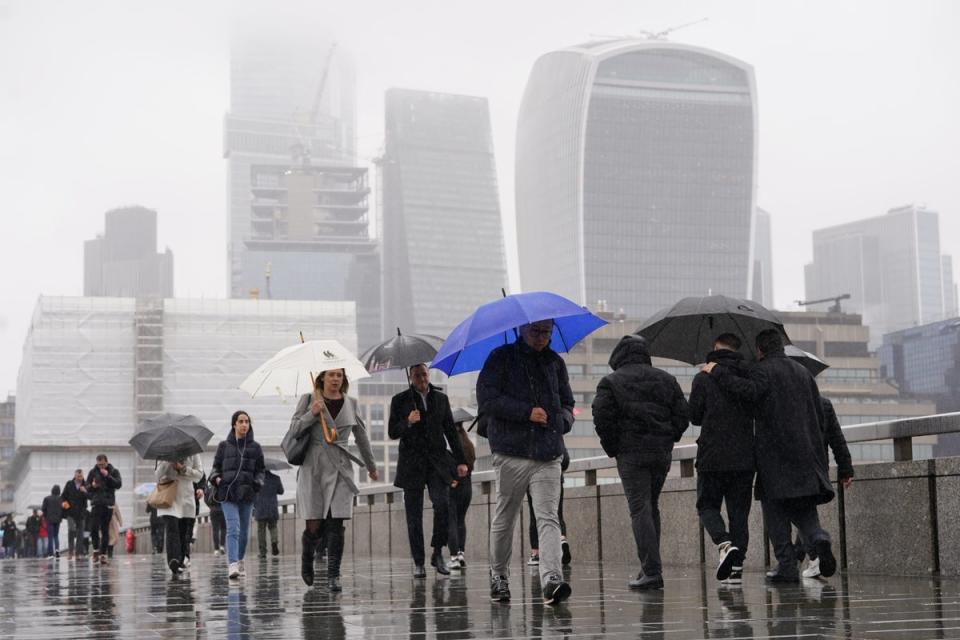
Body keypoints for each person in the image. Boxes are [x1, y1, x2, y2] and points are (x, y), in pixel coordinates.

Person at [704, 329, 837, 583]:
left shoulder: (762, 371)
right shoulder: (803, 373)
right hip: (807, 453)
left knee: (774, 508)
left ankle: (786, 566)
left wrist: (717, 371)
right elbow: (818, 415)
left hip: (775, 453)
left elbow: (747, 392)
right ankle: (819, 538)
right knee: (804, 508)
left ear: (760, 350)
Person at [477, 319, 575, 606]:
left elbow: (568, 403)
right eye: (536, 331)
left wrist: (563, 421)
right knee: (505, 517)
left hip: (548, 452)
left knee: (548, 517)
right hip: (511, 451)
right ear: (522, 329)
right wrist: (526, 412)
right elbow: (487, 401)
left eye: (547, 332)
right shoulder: (500, 358)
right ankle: (499, 576)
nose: (542, 337)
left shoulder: (555, 363)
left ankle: (551, 578)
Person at [593, 335, 689, 590]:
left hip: (631, 453)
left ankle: (652, 570)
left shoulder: (611, 382)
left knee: (640, 508)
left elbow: (601, 417)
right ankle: (649, 567)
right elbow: (683, 414)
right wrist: (669, 437)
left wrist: (614, 447)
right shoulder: (666, 379)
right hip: (660, 452)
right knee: (651, 506)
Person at [289, 368, 378, 591]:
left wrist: (371, 465)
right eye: (331, 375)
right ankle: (307, 558)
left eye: (339, 375)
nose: (336, 379)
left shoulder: (351, 403)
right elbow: (294, 430)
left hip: (341, 467)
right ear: (322, 378)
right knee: (315, 524)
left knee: (337, 522)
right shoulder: (310, 399)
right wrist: (311, 413)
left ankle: (333, 575)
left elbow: (361, 436)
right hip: (314, 467)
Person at [688, 333, 756, 585]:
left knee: (707, 506)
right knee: (739, 512)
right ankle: (736, 568)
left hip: (712, 455)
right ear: (738, 349)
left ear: (715, 347)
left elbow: (694, 416)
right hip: (744, 456)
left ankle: (724, 544)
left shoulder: (703, 377)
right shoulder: (749, 375)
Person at [389, 364, 468, 577]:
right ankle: (418, 562)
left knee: (442, 505)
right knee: (413, 516)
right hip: (411, 464)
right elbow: (392, 432)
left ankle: (437, 552)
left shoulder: (440, 399)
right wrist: (408, 422)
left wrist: (461, 461)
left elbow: (451, 430)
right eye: (417, 375)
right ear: (411, 377)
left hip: (436, 463)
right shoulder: (400, 400)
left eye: (424, 374)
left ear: (428, 374)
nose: (422, 378)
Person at [798, 396, 854, 578]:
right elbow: (836, 438)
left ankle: (812, 555)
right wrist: (845, 470)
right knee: (806, 510)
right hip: (818, 469)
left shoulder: (784, 401)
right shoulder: (822, 403)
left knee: (798, 513)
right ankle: (807, 556)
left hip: (789, 467)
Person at [211, 410, 265, 580]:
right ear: (234, 424)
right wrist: (216, 479)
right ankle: (233, 563)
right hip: (228, 493)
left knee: (243, 532)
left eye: (247, 422)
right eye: (241, 421)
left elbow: (260, 470)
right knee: (233, 528)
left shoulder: (255, 448)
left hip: (247, 494)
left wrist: (257, 483)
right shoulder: (223, 446)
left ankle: (240, 559)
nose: (244, 425)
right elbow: (215, 468)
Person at [156, 453, 204, 574]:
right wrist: (168, 463)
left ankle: (181, 559)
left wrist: (183, 469)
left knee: (183, 531)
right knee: (172, 529)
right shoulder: (164, 453)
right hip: (169, 497)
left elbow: (199, 475)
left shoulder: (193, 453)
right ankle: (173, 560)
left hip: (186, 497)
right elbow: (157, 475)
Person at [527, 447, 571, 567]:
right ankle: (561, 539)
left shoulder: (531, 436)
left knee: (535, 515)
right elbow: (565, 460)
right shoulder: (555, 435)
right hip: (556, 480)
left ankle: (536, 553)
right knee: (557, 514)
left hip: (534, 480)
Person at [446, 415, 476, 570]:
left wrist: (453, 478)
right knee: (460, 520)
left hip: (452, 485)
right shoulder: (468, 444)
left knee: (450, 520)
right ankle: (461, 552)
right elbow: (470, 465)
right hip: (467, 487)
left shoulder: (450, 444)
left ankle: (454, 557)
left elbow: (448, 464)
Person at [86, 453, 122, 565]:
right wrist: (92, 486)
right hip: (96, 504)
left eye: (102, 464)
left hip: (108, 504)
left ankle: (103, 554)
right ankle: (96, 550)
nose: (100, 467)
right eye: (98, 464)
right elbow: (87, 488)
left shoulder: (113, 471)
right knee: (94, 528)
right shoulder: (92, 472)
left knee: (105, 529)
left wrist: (108, 476)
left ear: (106, 462)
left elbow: (118, 484)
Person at [253, 469, 284, 559]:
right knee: (273, 527)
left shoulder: (256, 479)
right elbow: (281, 491)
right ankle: (274, 542)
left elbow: (252, 493)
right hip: (272, 508)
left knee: (261, 531)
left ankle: (262, 553)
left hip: (260, 508)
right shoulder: (276, 478)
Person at [62, 469, 89, 559]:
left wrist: (85, 491)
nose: (79, 478)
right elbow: (63, 497)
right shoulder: (69, 484)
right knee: (71, 530)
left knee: (80, 533)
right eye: (78, 476)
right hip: (71, 512)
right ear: (75, 476)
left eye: (81, 476)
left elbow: (90, 496)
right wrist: (66, 506)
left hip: (81, 512)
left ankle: (78, 553)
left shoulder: (85, 484)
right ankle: (70, 552)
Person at [41, 484, 64, 558]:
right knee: (56, 536)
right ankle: (57, 551)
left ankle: (50, 553)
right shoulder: (61, 499)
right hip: (58, 520)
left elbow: (43, 509)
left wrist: (45, 516)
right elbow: (65, 508)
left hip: (49, 520)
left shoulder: (47, 499)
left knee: (50, 536)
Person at [204, 481, 226, 556]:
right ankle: (222, 546)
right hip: (223, 509)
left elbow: (206, 499)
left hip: (213, 510)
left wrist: (211, 507)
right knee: (224, 528)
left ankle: (216, 549)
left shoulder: (210, 488)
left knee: (215, 530)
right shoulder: (223, 486)